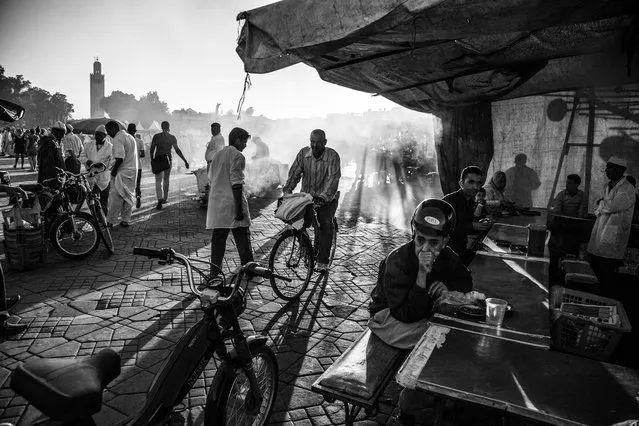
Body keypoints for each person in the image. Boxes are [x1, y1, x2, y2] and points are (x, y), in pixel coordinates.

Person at [368, 199, 473, 425]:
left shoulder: (448, 256)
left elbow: (465, 279)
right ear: (413, 234)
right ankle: (411, 403)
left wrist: (448, 287)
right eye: (420, 240)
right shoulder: (396, 261)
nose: (426, 249)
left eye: (434, 242)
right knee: (436, 340)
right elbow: (405, 314)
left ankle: (437, 393)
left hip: (417, 316)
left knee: (450, 333)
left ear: (445, 240)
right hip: (387, 318)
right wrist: (421, 277)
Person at [282, 129, 341, 272]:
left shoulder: (332, 156)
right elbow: (295, 173)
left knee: (325, 224)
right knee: (296, 222)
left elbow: (333, 178)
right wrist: (287, 191)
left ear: (325, 142)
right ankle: (303, 247)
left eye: (318, 143)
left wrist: (323, 197)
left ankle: (322, 261)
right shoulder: (303, 154)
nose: (314, 145)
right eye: (312, 142)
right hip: (307, 197)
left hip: (327, 198)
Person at [206, 127, 253, 274]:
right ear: (238, 140)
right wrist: (239, 210)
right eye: (244, 142)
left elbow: (210, 179)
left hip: (217, 204)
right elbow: (237, 184)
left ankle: (214, 273)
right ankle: (250, 270)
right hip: (232, 203)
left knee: (218, 239)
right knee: (243, 238)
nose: (245, 145)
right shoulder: (237, 155)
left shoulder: (218, 155)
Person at [587, 156, 636, 284]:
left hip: (614, 235)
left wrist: (602, 204)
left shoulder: (627, 189)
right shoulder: (606, 186)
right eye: (607, 167)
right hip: (600, 231)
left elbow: (612, 206)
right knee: (595, 268)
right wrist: (602, 205)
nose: (606, 170)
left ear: (620, 170)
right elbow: (596, 206)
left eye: (610, 167)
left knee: (606, 271)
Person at [442, 165, 491, 266]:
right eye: (471, 182)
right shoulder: (449, 201)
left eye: (478, 183)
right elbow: (443, 229)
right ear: (461, 183)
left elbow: (469, 223)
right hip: (445, 253)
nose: (476, 187)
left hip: (461, 249)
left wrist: (481, 222)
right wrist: (472, 225)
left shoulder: (471, 202)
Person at [150, 121, 189, 210]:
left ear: (161, 127)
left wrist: (152, 160)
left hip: (158, 159)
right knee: (166, 179)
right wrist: (185, 161)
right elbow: (177, 150)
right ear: (168, 127)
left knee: (158, 180)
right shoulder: (172, 137)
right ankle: (165, 198)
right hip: (167, 159)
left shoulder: (156, 137)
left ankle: (159, 198)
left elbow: (152, 149)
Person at [105, 120, 138, 227]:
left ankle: (110, 221)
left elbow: (120, 157)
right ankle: (126, 220)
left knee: (116, 197)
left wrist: (114, 172)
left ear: (114, 128)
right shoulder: (131, 137)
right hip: (133, 171)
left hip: (122, 171)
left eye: (108, 130)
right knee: (128, 196)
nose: (108, 133)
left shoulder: (118, 138)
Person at [80, 125, 113, 215]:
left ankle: (105, 220)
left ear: (105, 136)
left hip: (104, 177)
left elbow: (112, 160)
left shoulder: (110, 147)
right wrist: (87, 162)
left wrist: (102, 164)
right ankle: (95, 218)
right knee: (92, 200)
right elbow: (81, 156)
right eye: (96, 135)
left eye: (100, 135)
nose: (97, 137)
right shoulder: (88, 145)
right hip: (91, 176)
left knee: (104, 200)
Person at [127, 123, 145, 209]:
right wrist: (136, 155)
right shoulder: (140, 141)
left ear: (127, 130)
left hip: (127, 167)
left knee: (127, 185)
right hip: (138, 166)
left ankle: (128, 202)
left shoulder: (126, 141)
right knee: (137, 184)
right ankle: (138, 196)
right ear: (135, 131)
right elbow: (143, 154)